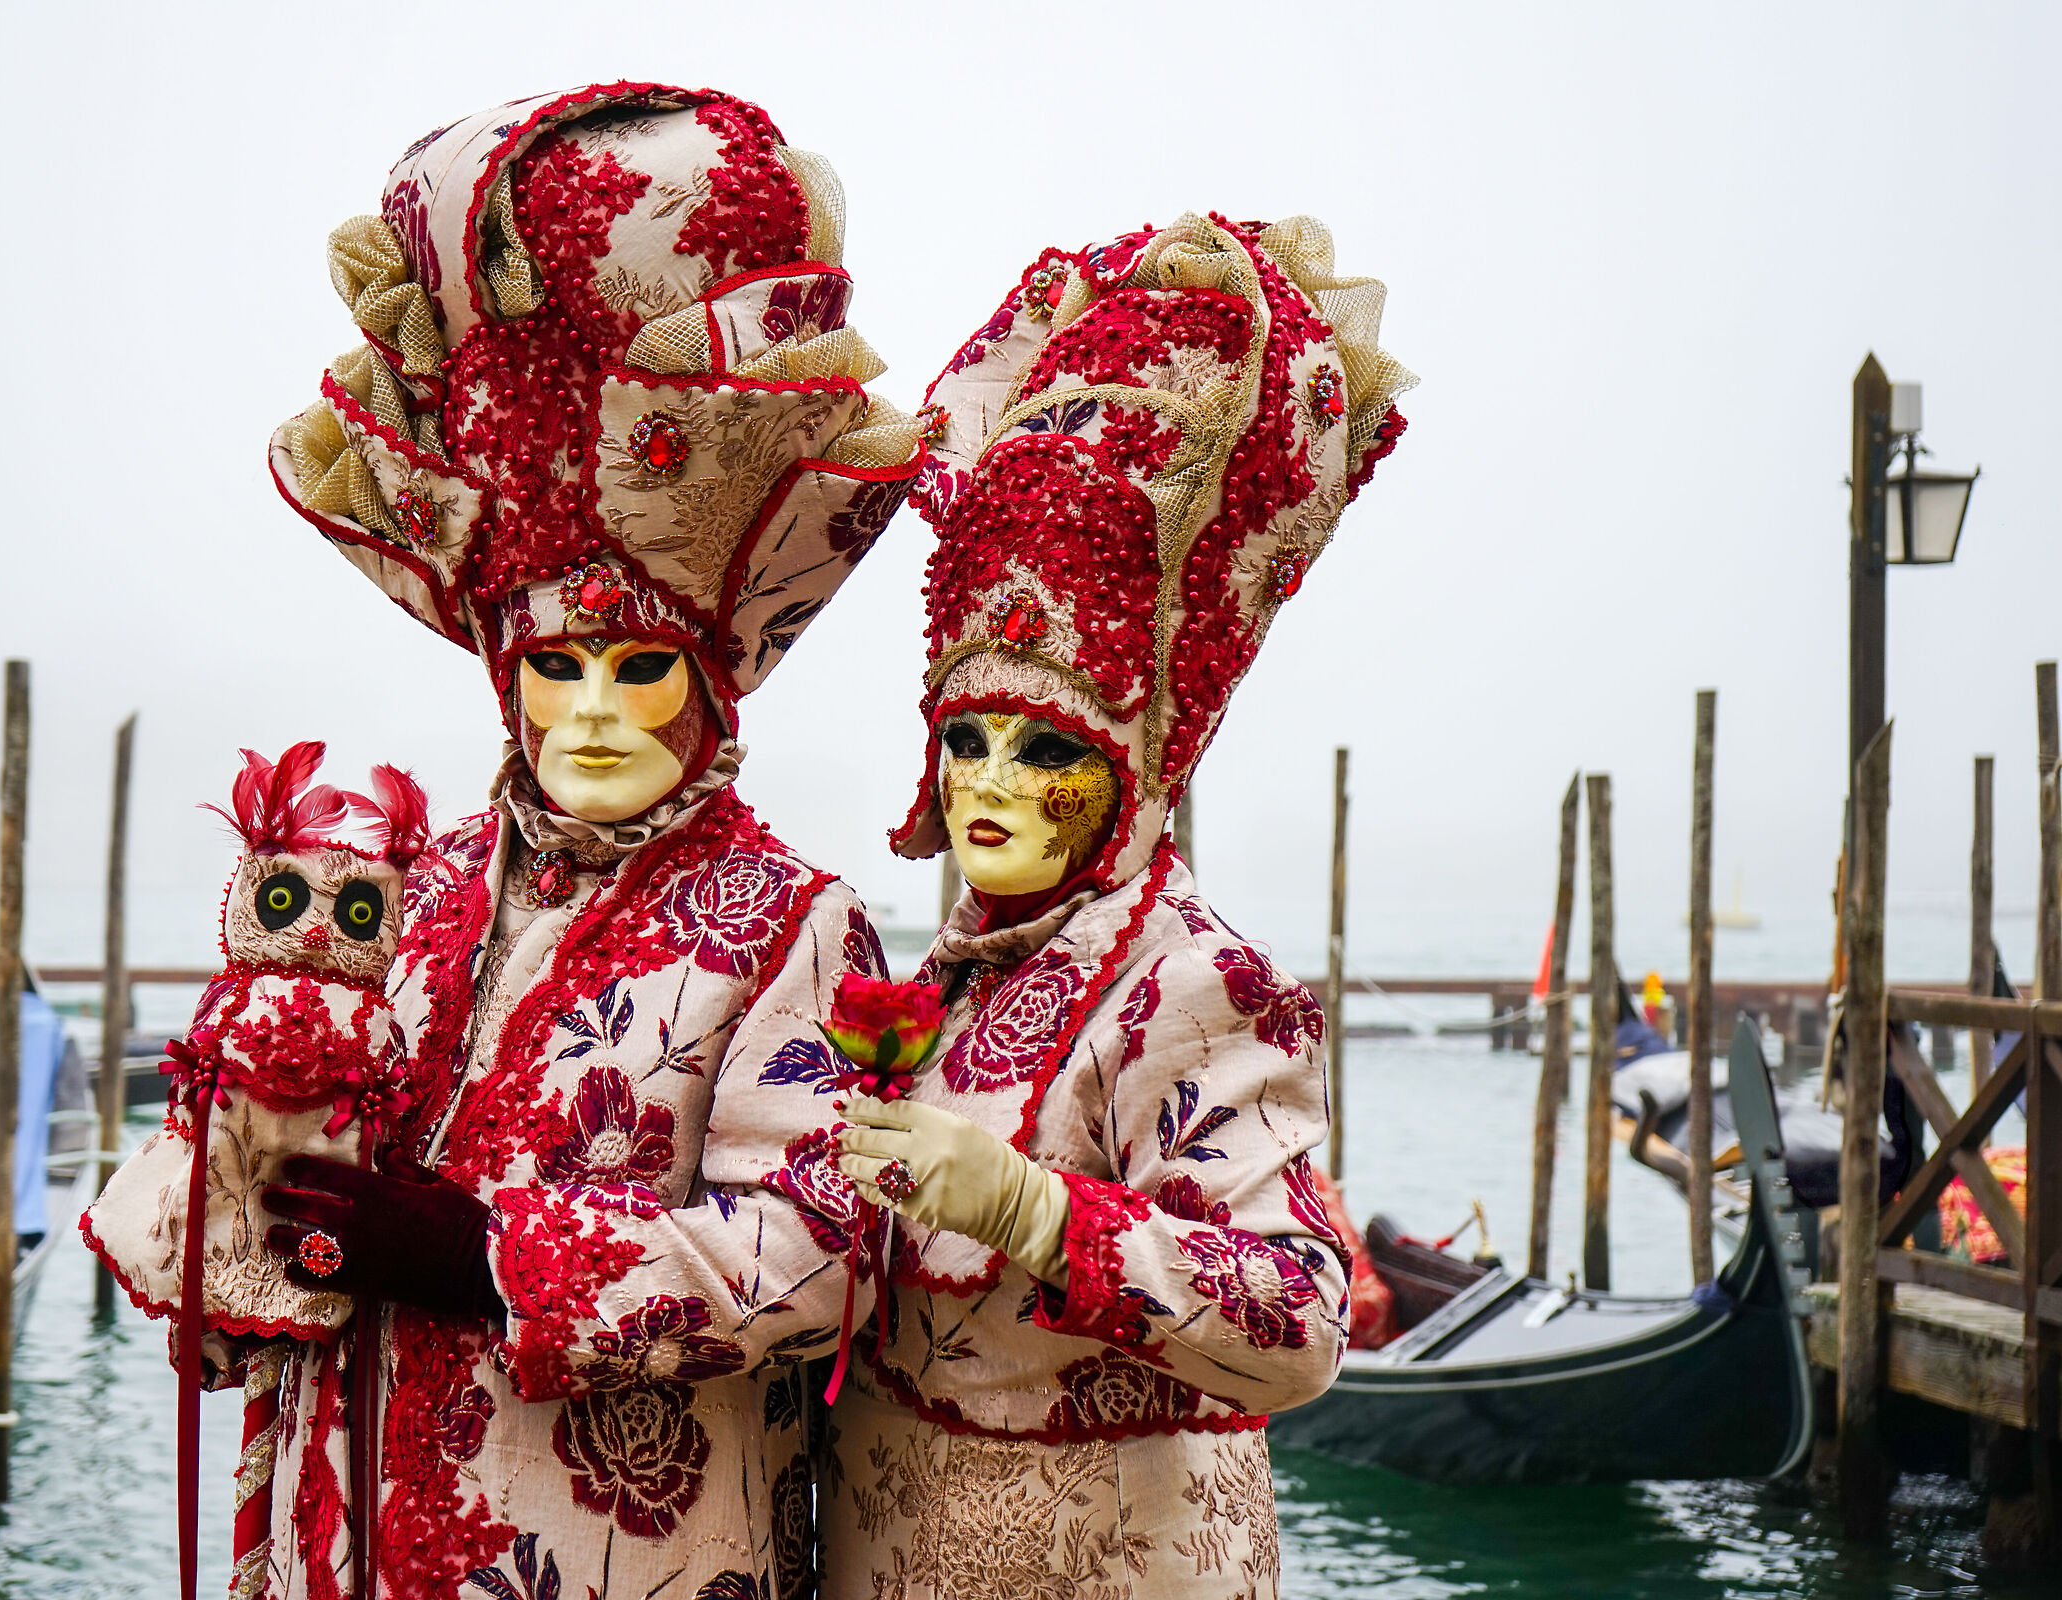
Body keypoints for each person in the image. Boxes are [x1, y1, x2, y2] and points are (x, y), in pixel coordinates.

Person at [224, 84, 926, 1600]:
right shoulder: (400, 895)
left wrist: (485, 1255)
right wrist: (224, 1204)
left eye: (638, 667)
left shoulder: (789, 921)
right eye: (557, 668)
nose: (594, 711)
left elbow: (816, 1256)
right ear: (506, 678)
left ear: (708, 680)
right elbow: (259, 1233)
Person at [823, 212, 1413, 1598]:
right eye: (966, 742)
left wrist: (1040, 1213)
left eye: (1044, 752)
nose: (989, 787)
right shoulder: (961, 970)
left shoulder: (1198, 984)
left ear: (1132, 771)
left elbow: (1299, 1320)